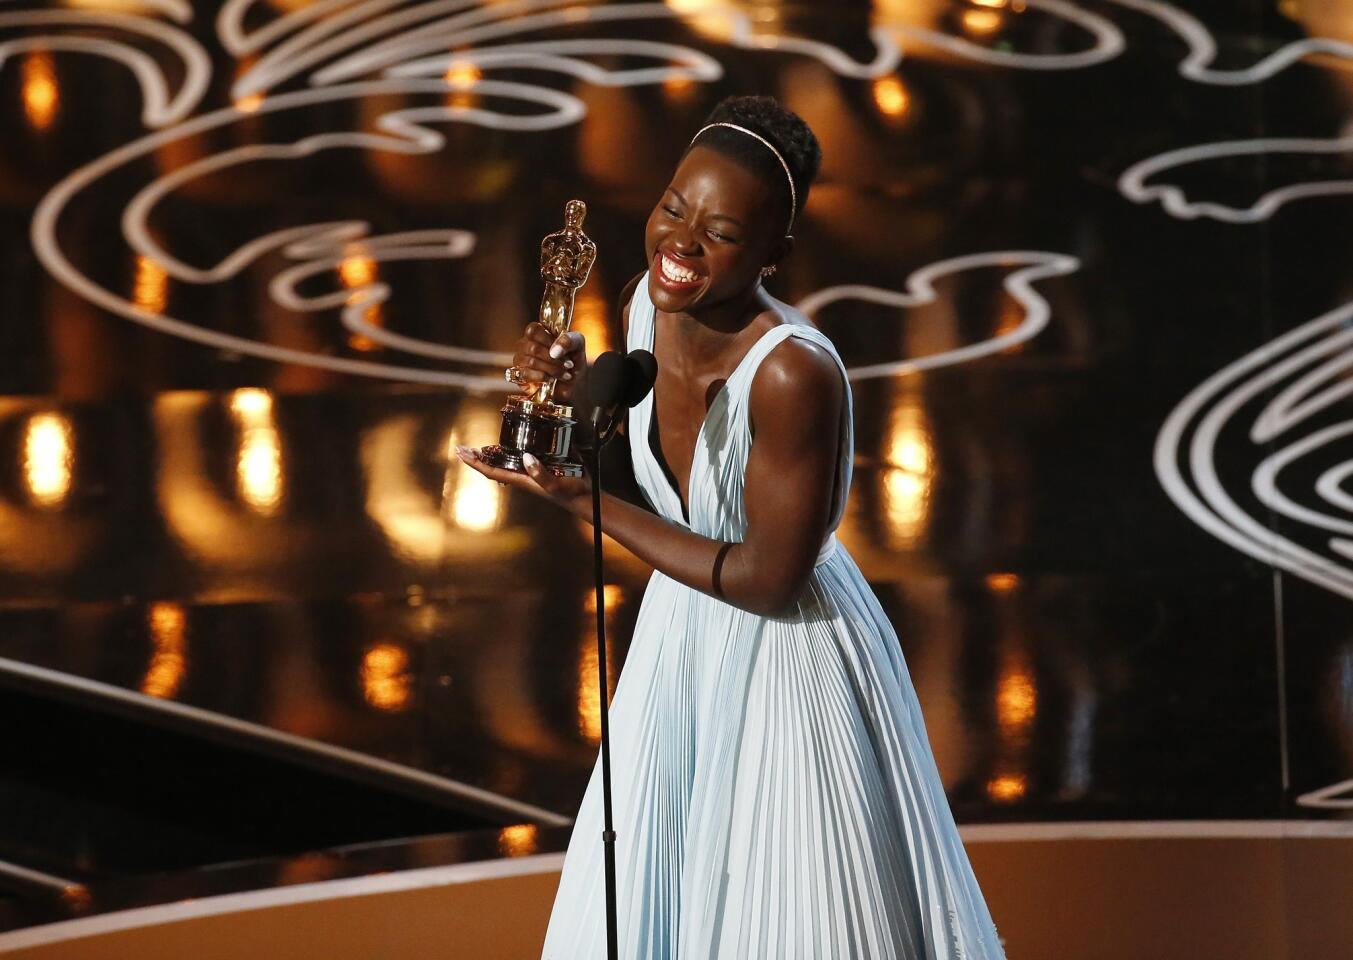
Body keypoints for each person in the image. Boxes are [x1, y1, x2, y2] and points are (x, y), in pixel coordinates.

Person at [456, 94, 1006, 960]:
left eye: (720, 231)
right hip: (681, 640)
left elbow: (767, 578)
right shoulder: (643, 304)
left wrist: (574, 503)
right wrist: (563, 422)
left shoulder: (793, 374)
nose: (681, 244)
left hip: (789, 655)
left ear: (774, 254)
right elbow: (643, 492)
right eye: (674, 207)